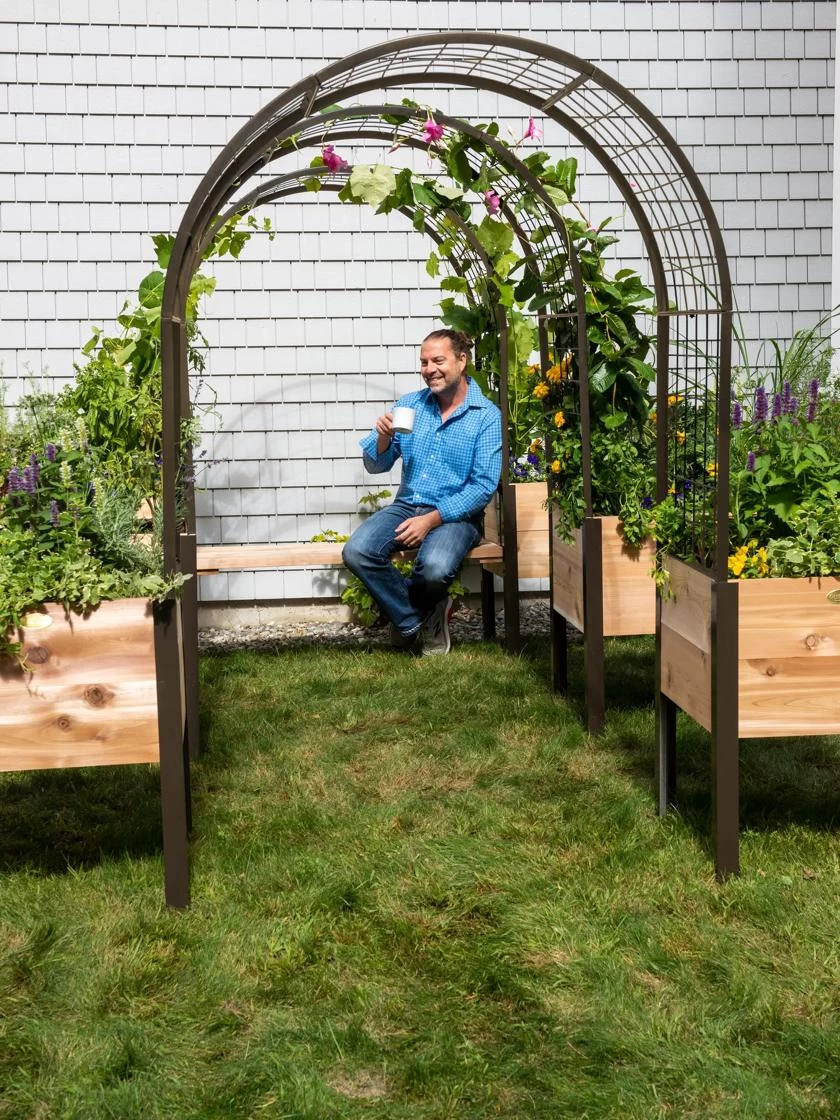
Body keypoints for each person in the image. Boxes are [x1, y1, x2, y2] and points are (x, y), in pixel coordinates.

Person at [342, 329, 502, 655]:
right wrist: (383, 438)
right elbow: (375, 465)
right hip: (407, 505)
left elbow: (483, 487)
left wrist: (431, 520)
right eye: (424, 362)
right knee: (358, 550)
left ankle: (408, 618)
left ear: (462, 360)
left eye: (438, 360)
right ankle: (415, 619)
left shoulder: (486, 417)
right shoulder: (410, 405)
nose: (429, 369)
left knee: (435, 568)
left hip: (456, 516)